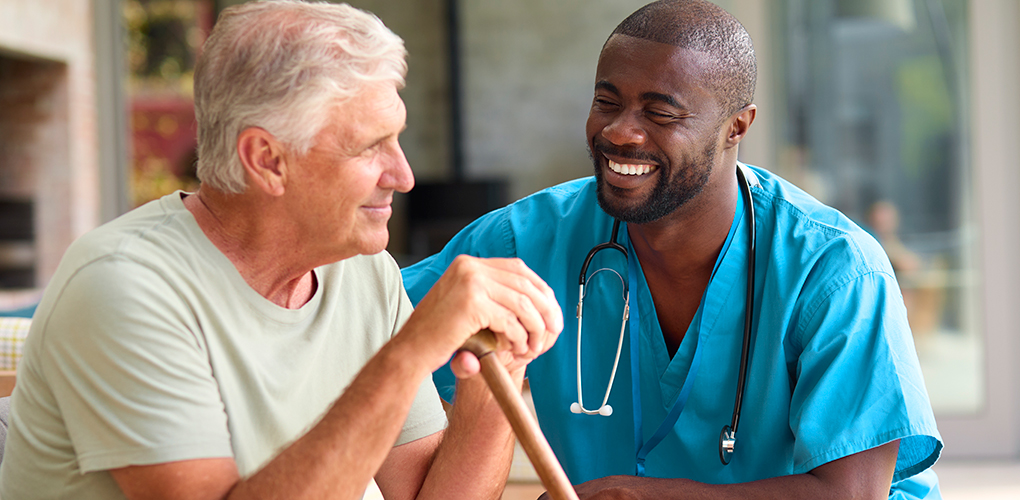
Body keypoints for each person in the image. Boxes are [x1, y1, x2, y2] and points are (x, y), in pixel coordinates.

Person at [0, 1, 563, 499]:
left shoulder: (363, 273)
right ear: (267, 160)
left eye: (397, 139)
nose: (403, 175)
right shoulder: (123, 288)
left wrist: (497, 375)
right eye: (370, 147)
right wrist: (412, 350)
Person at [401, 0, 943, 498]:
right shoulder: (525, 241)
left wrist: (641, 496)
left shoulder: (835, 270)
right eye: (606, 102)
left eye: (660, 113)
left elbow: (853, 494)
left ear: (736, 127)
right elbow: (377, 319)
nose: (620, 132)